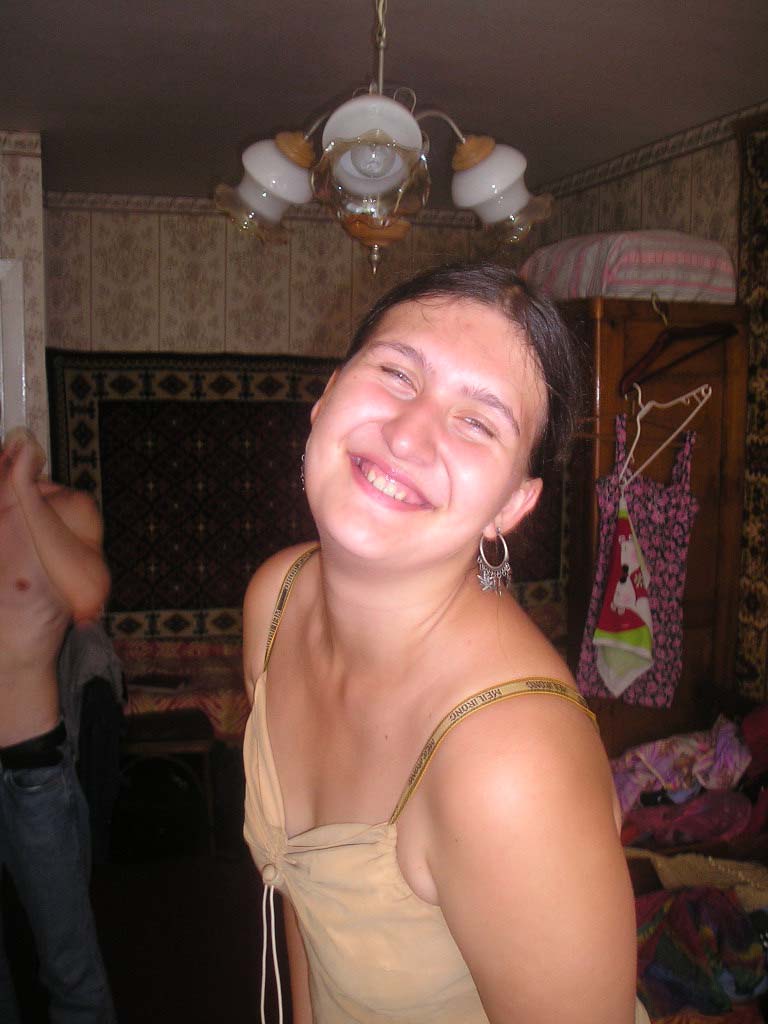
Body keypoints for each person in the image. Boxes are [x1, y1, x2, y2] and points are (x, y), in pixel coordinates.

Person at [242, 262, 648, 1024]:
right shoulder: (277, 602)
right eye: (397, 373)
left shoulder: (510, 762)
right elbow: (303, 905)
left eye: (478, 422)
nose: (408, 435)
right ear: (328, 395)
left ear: (512, 505)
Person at [0, 426, 116, 1023]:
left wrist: (23, 488)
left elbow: (87, 598)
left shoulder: (64, 507)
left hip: (32, 775)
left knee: (69, 966)